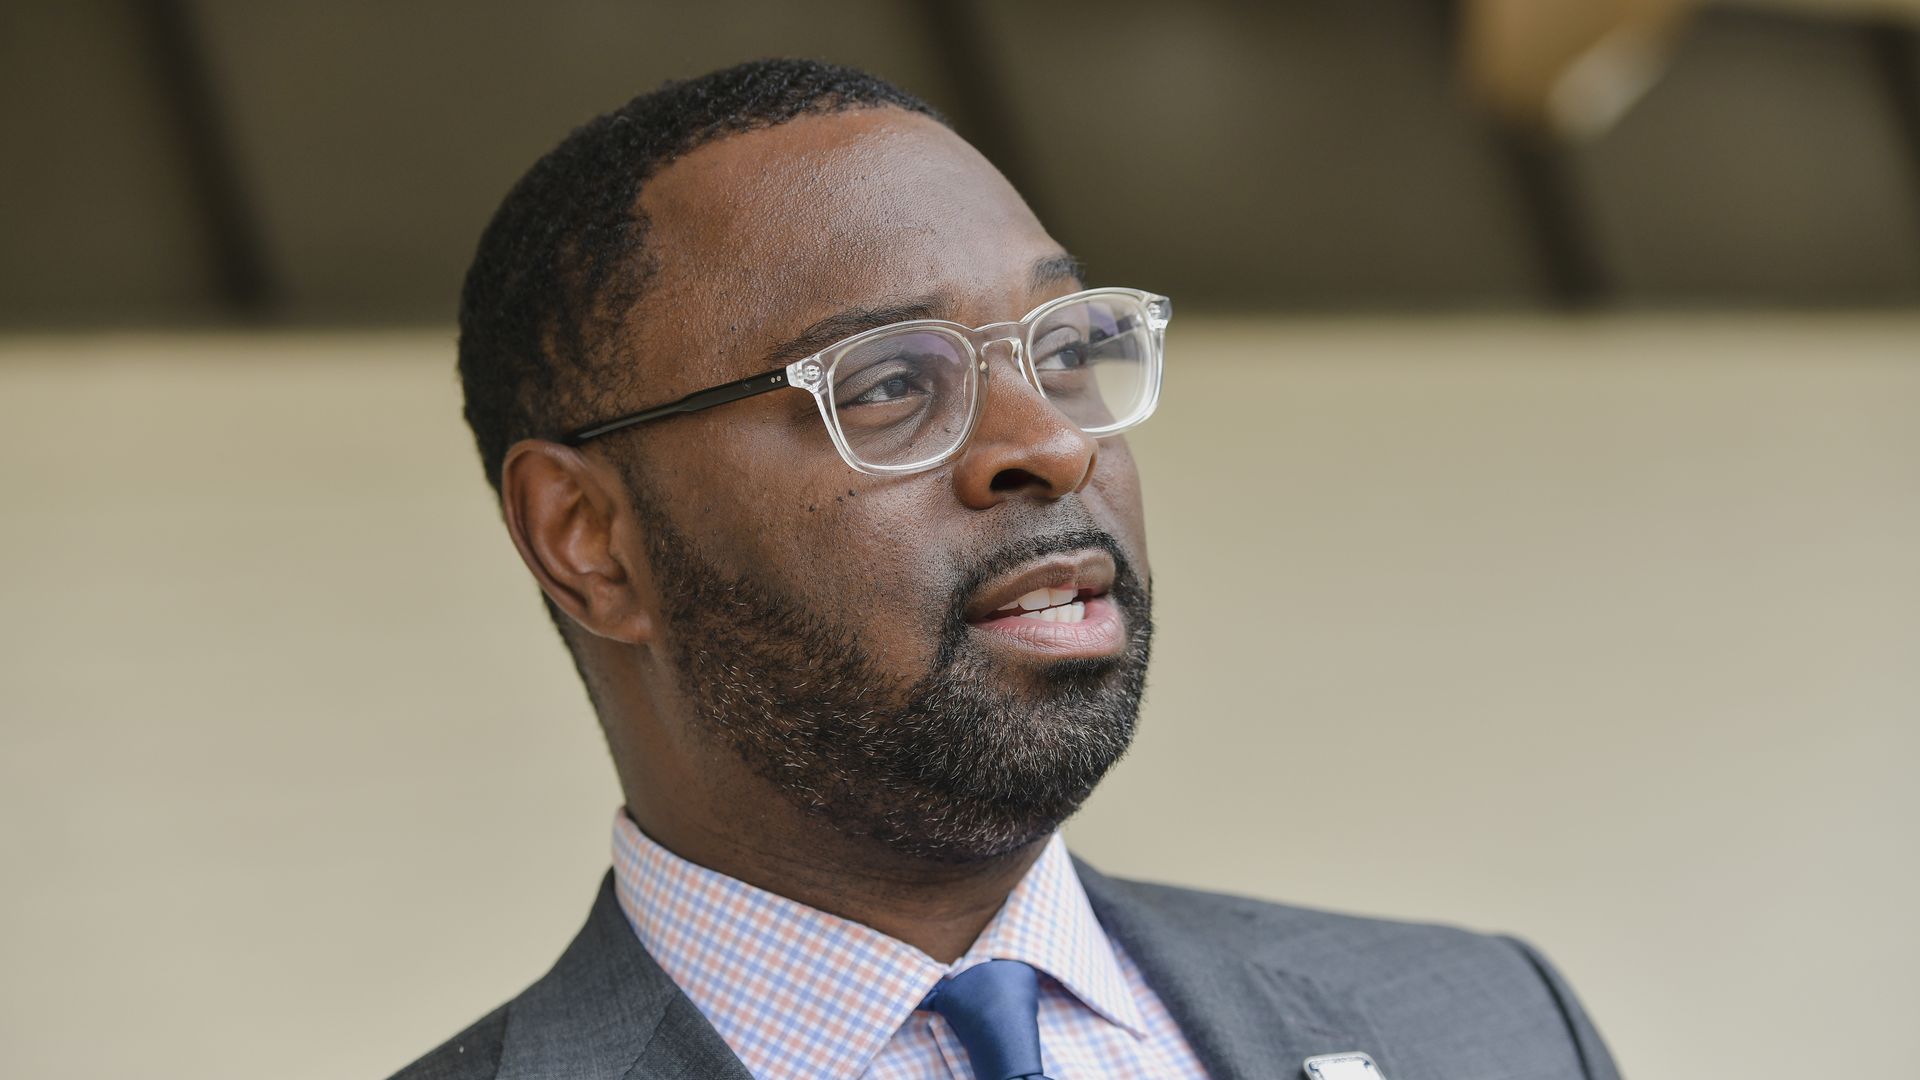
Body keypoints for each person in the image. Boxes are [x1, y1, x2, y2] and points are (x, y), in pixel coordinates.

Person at [393, 58, 1618, 1080]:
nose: (1052, 443)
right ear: (587, 538)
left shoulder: (1488, 1028)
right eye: (885, 385)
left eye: (1068, 346)